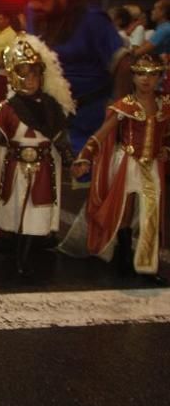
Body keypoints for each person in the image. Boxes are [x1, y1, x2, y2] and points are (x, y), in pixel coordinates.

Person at [0, 33, 76, 279]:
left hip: (43, 169)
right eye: (24, 72)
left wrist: (71, 162)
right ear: (14, 74)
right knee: (15, 214)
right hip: (16, 170)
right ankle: (19, 257)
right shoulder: (8, 108)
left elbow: (61, 139)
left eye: (34, 73)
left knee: (36, 214)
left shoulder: (51, 107)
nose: (30, 79)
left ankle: (25, 258)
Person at [71, 54, 169, 286]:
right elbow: (103, 133)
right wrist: (84, 157)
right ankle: (123, 258)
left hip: (152, 166)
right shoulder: (125, 106)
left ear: (159, 77)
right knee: (123, 212)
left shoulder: (164, 105)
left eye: (152, 74)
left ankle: (146, 267)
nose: (146, 79)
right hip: (128, 163)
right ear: (133, 77)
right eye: (141, 74)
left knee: (151, 216)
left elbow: (165, 133)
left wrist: (165, 147)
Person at [26, 0, 128, 152]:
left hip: (89, 118)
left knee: (84, 172)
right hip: (50, 116)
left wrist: (118, 108)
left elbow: (123, 62)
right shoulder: (36, 14)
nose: (34, 5)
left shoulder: (93, 20)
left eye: (42, 0)